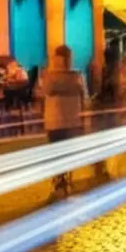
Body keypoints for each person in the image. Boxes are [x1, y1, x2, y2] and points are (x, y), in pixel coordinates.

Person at [43, 45, 88, 197]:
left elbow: (45, 92)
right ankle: (61, 181)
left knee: (60, 153)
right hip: (64, 121)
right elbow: (83, 97)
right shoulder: (74, 77)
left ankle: (62, 181)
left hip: (60, 121)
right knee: (62, 153)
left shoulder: (56, 76)